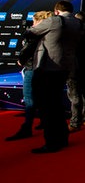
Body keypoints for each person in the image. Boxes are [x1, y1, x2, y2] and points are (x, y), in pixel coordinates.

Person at [24, 0, 84, 153]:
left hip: (48, 66)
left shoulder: (55, 21)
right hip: (67, 65)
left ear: (57, 10)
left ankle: (51, 141)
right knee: (56, 104)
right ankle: (62, 138)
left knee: (46, 105)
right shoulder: (78, 23)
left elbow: (31, 32)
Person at [5, 11, 53, 141]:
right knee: (41, 96)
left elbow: (27, 50)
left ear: (38, 21)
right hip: (44, 68)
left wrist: (22, 59)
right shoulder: (50, 33)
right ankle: (43, 121)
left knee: (29, 98)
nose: (32, 24)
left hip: (32, 67)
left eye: (33, 21)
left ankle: (27, 127)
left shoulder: (35, 34)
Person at [67, 11, 85, 132]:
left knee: (74, 94)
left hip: (74, 65)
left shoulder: (76, 34)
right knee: (80, 92)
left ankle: (76, 121)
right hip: (83, 65)